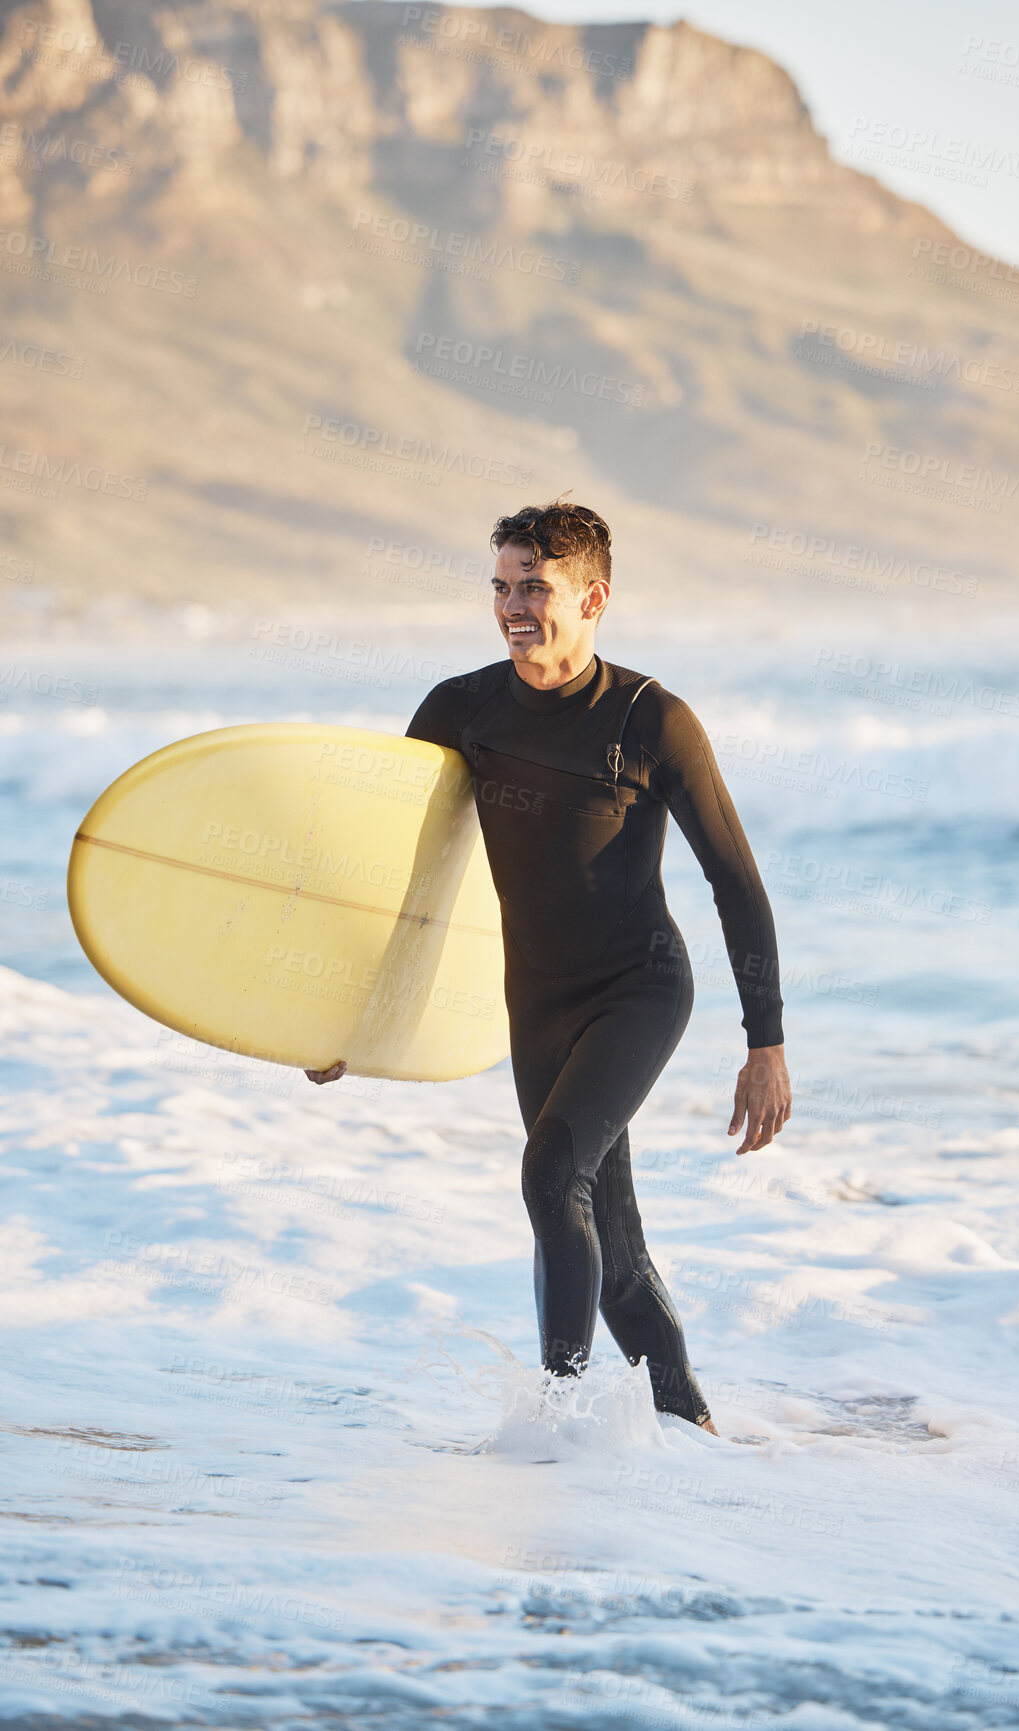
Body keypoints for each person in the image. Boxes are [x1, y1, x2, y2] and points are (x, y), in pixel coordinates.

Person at [309, 500, 790, 1432]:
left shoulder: (652, 719)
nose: (511, 605)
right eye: (500, 585)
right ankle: (689, 1427)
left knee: (547, 1179)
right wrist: (347, 1020)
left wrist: (764, 1043)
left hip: (638, 988)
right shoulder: (462, 709)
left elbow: (735, 881)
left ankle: (558, 1423)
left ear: (592, 596)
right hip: (534, 998)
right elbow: (405, 882)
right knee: (606, 1243)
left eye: (534, 585)